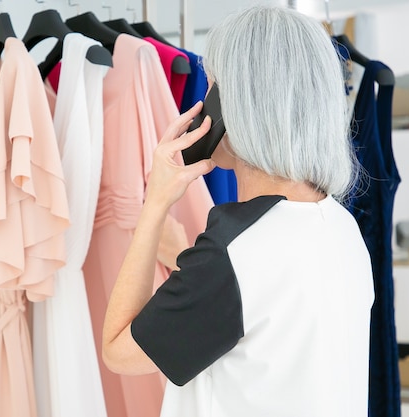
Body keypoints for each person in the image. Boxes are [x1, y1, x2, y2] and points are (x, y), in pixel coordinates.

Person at [102, 5, 374, 417]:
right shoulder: (342, 227)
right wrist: (187, 259)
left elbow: (118, 350)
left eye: (213, 89)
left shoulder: (231, 254)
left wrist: (155, 203)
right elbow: (263, 309)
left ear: (238, 104)